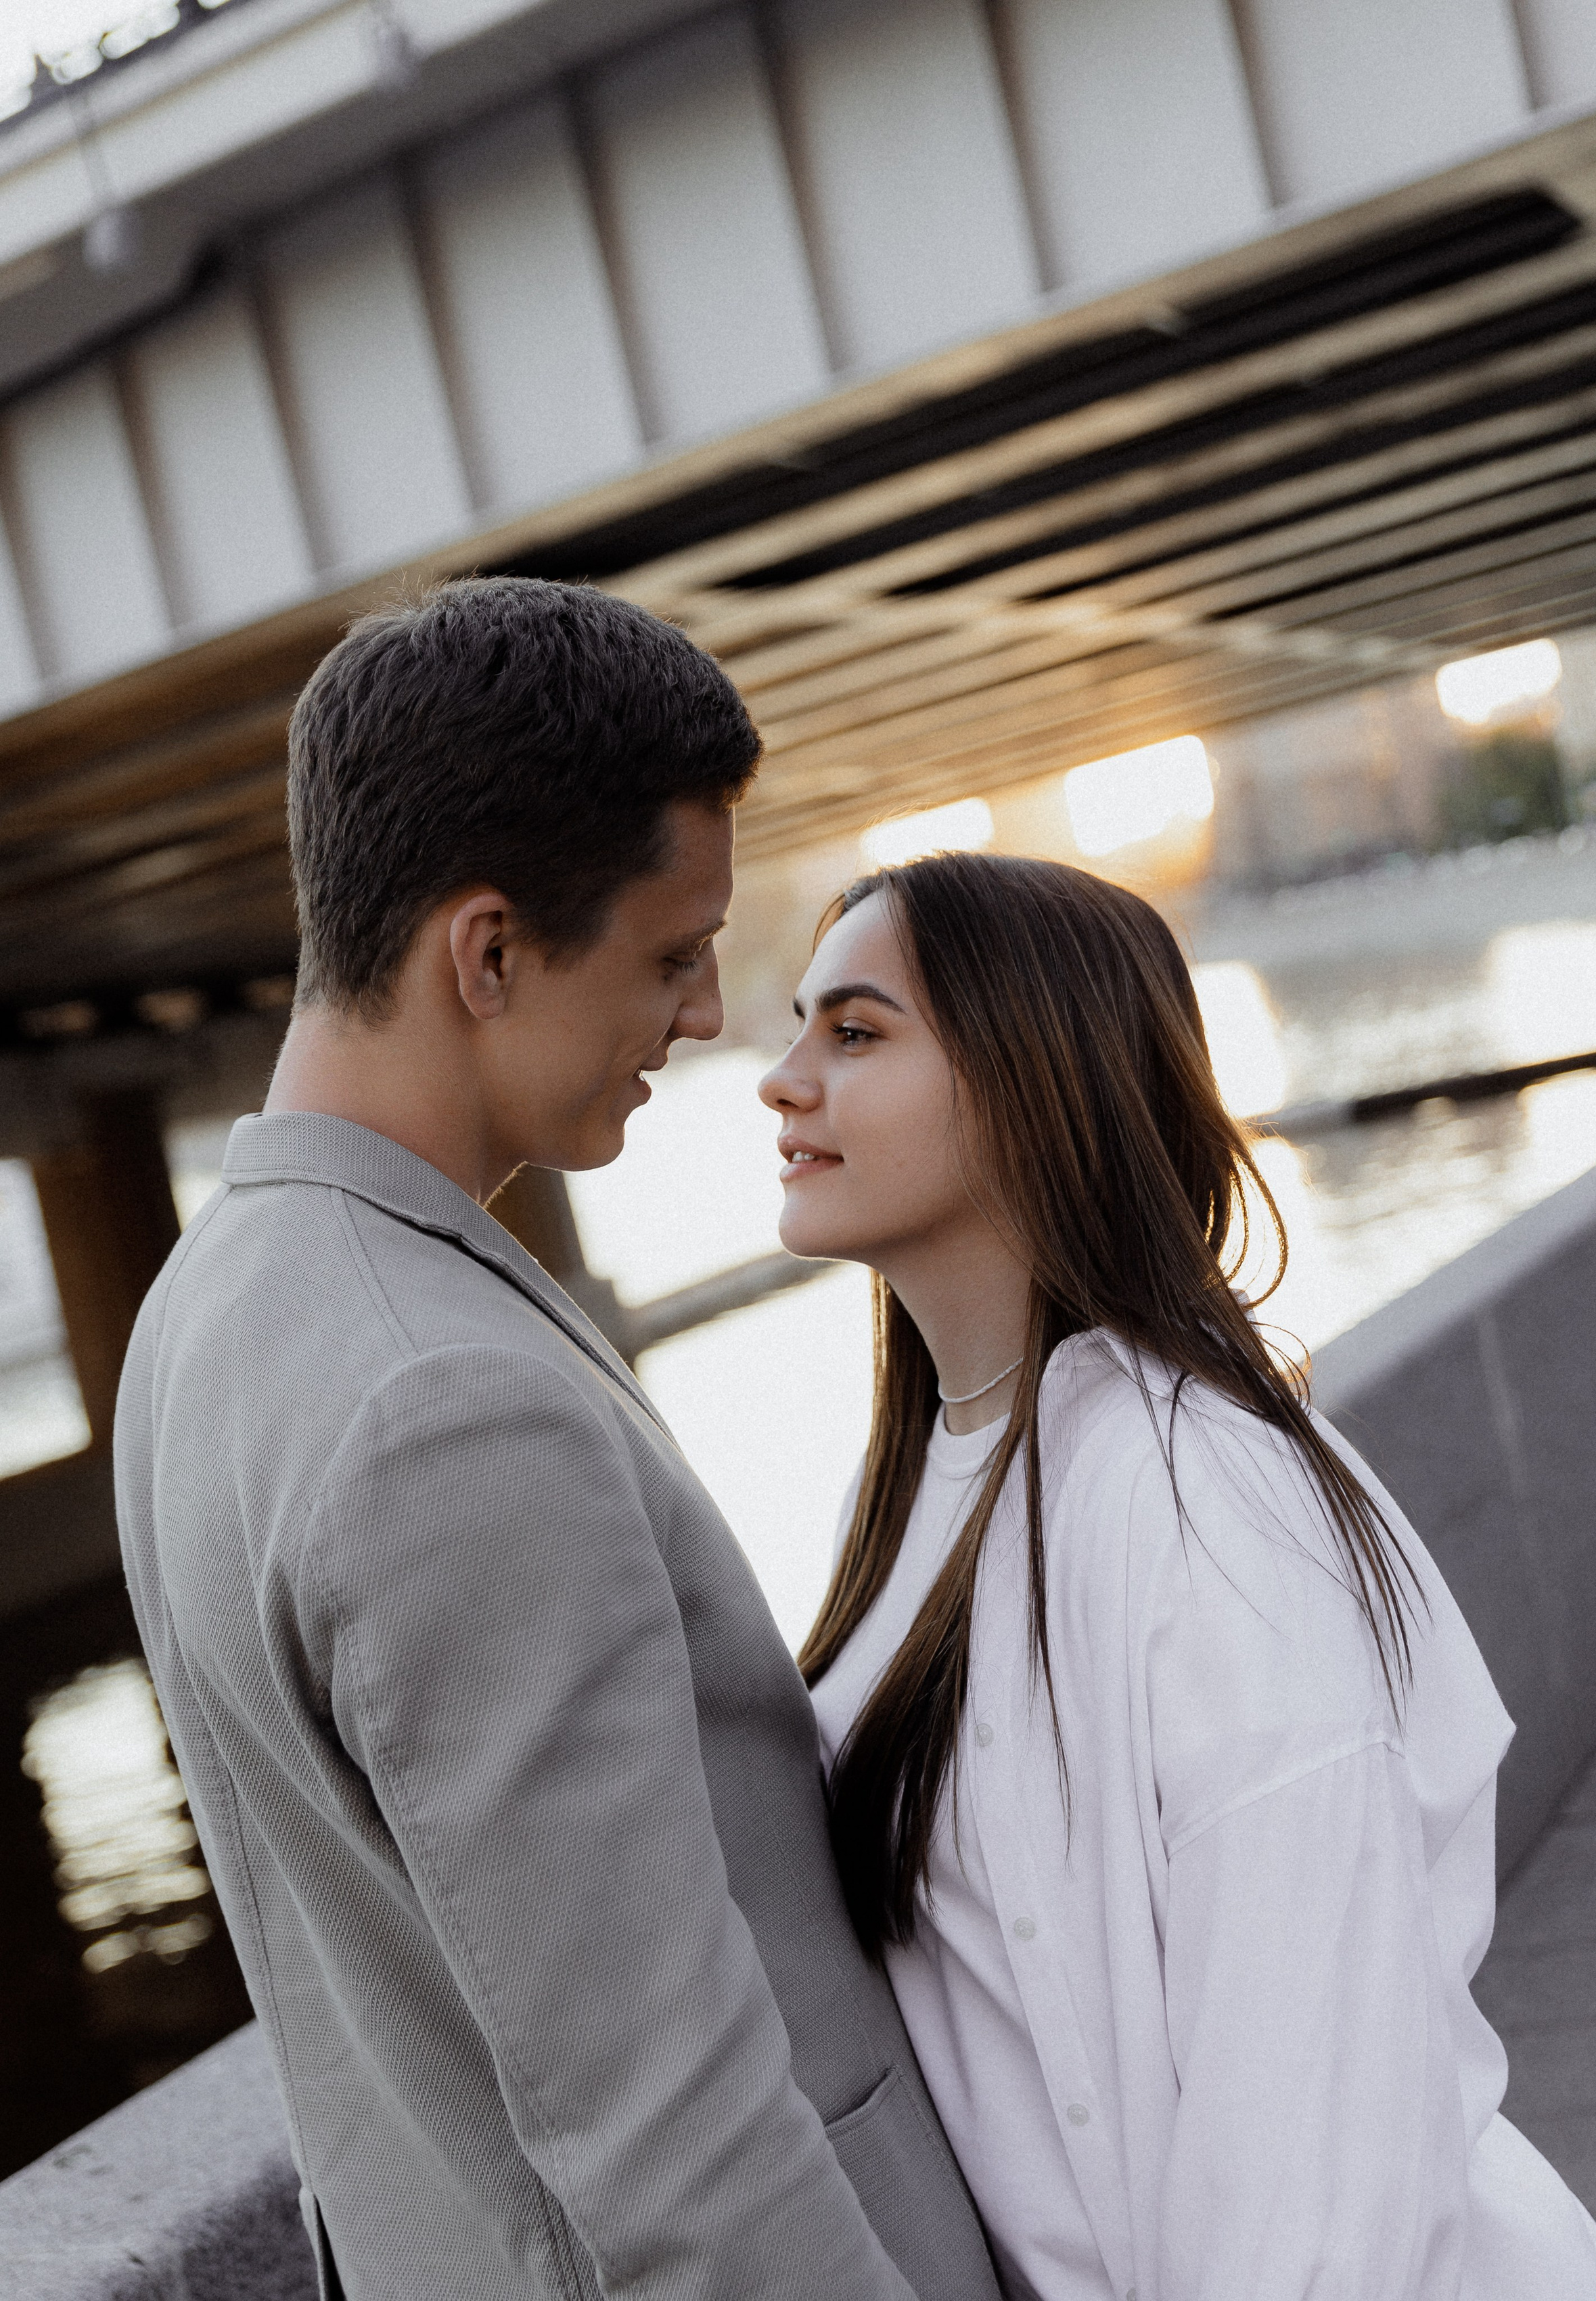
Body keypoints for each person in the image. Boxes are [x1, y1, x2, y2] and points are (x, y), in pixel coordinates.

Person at [114, 579, 1001, 2301]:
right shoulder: (442, 1408)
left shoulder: (205, 1310)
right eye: (672, 957)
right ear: (490, 952)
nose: (702, 1018)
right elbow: (682, 2142)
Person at [758, 850, 1596, 2301]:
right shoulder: (917, 1481)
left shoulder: (1195, 1491)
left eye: (853, 1033)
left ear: (1035, 1075)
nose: (781, 1079)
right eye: (798, 1026)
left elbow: (1311, 2133)